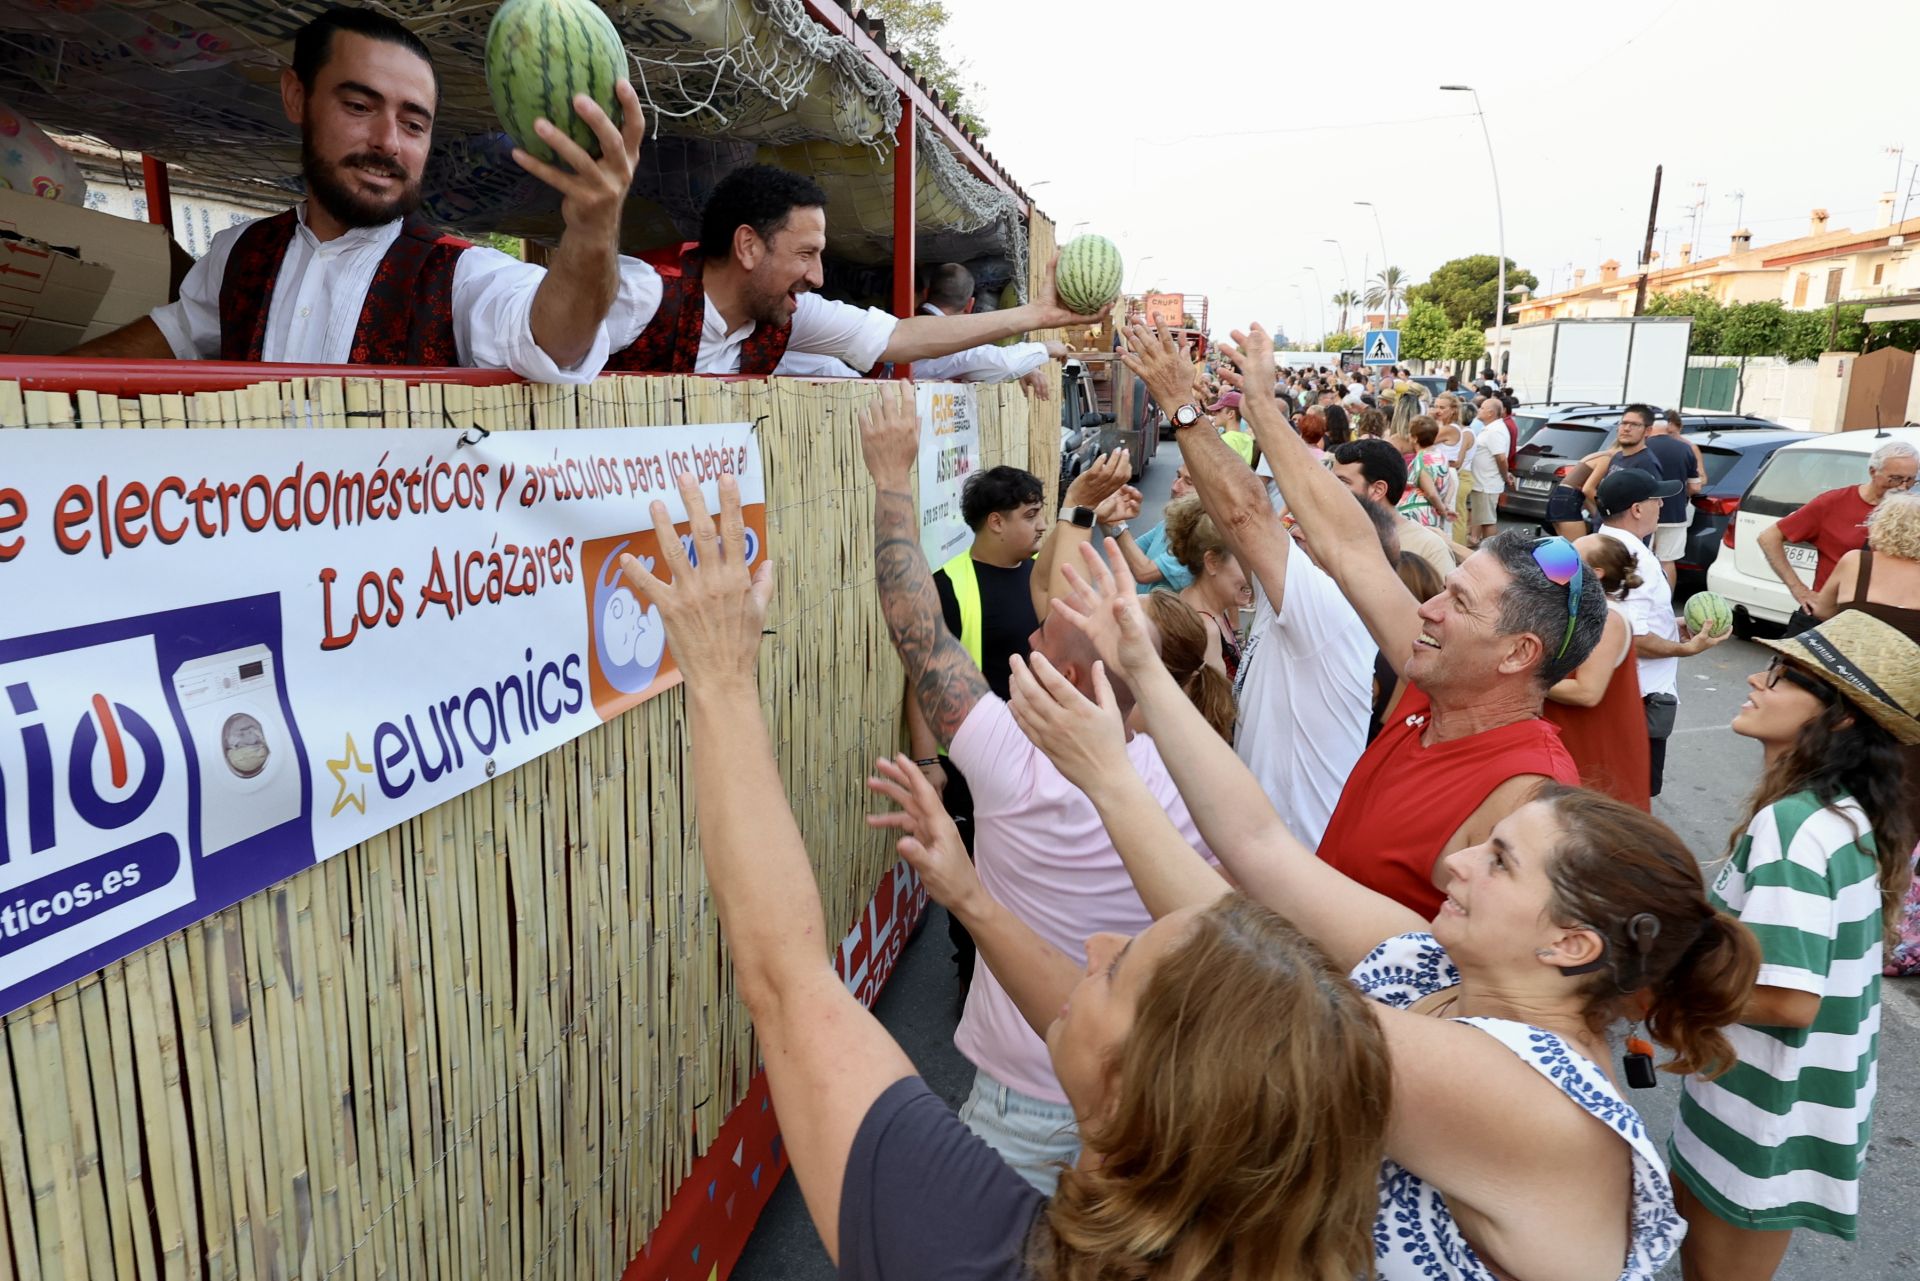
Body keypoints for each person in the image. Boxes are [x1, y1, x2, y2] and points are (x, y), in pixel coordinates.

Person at [618, 466, 1393, 1281]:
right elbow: (1257, 840)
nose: (1096, 949)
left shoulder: (971, 1242)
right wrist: (971, 895)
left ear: (1130, 1092)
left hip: (1016, 1110)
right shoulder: (1204, 782)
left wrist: (721, 674)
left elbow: (788, 981)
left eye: (1124, 973)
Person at [998, 534, 1759, 1281]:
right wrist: (1139, 666)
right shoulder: (1439, 965)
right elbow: (1260, 850)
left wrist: (1108, 773)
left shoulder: (1529, 1096)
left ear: (1569, 944)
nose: (1456, 861)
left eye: (1498, 860)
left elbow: (1243, 987)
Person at [857, 387, 1210, 1193]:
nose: (1032, 632)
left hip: (1025, 1103)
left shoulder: (1012, 763)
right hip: (1146, 1098)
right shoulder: (1198, 778)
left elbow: (916, 624)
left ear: (1075, 673)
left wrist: (889, 480)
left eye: (1046, 632)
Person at [1219, 322, 1601, 917]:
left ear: (1519, 653)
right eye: (1444, 589)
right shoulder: (1432, 681)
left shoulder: (1529, 796)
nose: (1427, 607)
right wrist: (1263, 409)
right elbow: (1349, 545)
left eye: (1460, 602)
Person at [71, 6, 640, 381]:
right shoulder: (237, 255)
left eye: (414, 124)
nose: (388, 142)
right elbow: (176, 337)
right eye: (359, 106)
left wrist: (593, 229)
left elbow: (556, 341)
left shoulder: (460, 278)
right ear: (297, 98)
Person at [1670, 611, 1920, 1281]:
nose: (1756, 676)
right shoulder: (1837, 812)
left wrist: (1661, 991)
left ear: (1839, 718)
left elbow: (1786, 997)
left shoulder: (1795, 823)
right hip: (1782, 1102)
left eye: (1781, 674)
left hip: (1762, 1113)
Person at [1124, 321, 1380, 848]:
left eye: (1311, 527)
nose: (1295, 527)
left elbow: (1247, 515)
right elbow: (1231, 513)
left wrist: (1180, 403)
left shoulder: (1327, 605)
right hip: (1272, 859)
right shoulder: (1301, 600)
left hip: (1298, 874)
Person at [601, 165, 1106, 375]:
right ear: (748, 247)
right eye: (805, 254)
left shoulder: (786, 318)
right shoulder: (638, 297)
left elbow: (903, 337)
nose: (818, 277)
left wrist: (1036, 315)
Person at [903, 460, 1060, 1001]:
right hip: (971, 771)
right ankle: (974, 990)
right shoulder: (948, 586)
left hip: (1042, 759)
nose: (1041, 525)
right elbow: (922, 681)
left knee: (1034, 884)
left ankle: (1027, 988)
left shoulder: (1040, 574)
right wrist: (928, 768)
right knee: (976, 891)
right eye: (1030, 515)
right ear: (995, 522)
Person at [1584, 469, 1729, 798]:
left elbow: (1622, 621)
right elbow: (1630, 638)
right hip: (1639, 697)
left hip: (1625, 693)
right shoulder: (1632, 559)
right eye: (1655, 499)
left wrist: (1670, 625)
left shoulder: (1605, 544)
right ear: (1637, 509)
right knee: (1628, 796)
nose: (1662, 504)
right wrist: (1687, 649)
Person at [1759, 439, 1920, 632]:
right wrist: (1798, 589)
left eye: (1910, 480)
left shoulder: (1911, 511)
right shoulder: (1834, 503)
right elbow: (1769, 537)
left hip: (1882, 626)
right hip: (1828, 618)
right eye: (1895, 478)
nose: (1903, 487)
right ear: (1873, 472)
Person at [1543, 537, 1650, 810]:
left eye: (1573, 554)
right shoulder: (1576, 610)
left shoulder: (1607, 619)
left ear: (1595, 572)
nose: (1563, 557)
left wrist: (1522, 678)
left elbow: (1587, 692)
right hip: (1566, 746)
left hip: (1591, 754)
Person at [909, 263, 1070, 399]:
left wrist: (1025, 368)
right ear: (969, 305)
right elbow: (1003, 362)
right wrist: (1046, 348)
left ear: (925, 293)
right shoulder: (950, 340)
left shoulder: (903, 324)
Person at [1582, 405, 1700, 587]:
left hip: (1624, 549)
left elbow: (1646, 509)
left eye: (1634, 424)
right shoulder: (1618, 457)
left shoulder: (1647, 462)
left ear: (1648, 430)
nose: (1626, 428)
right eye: (1624, 423)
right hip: (1605, 535)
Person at [1161, 497, 1250, 680]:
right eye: (1244, 562)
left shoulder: (1204, 607)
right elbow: (1212, 707)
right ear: (1212, 562)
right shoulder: (1205, 631)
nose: (1253, 573)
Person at [1462, 395, 1512, 547]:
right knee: (1482, 518)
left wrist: (1504, 476)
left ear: (1491, 413)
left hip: (1487, 483)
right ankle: (1482, 545)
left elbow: (1501, 458)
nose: (1479, 410)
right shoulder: (1491, 429)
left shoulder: (1494, 431)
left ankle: (1490, 551)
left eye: (1482, 408)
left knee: (1487, 521)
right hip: (1483, 482)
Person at [1397, 414, 1455, 529]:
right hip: (1432, 513)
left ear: (1415, 438)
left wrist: (1443, 511)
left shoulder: (1421, 460)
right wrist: (1446, 503)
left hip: (1417, 514)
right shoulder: (1440, 456)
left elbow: (1431, 493)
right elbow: (1450, 482)